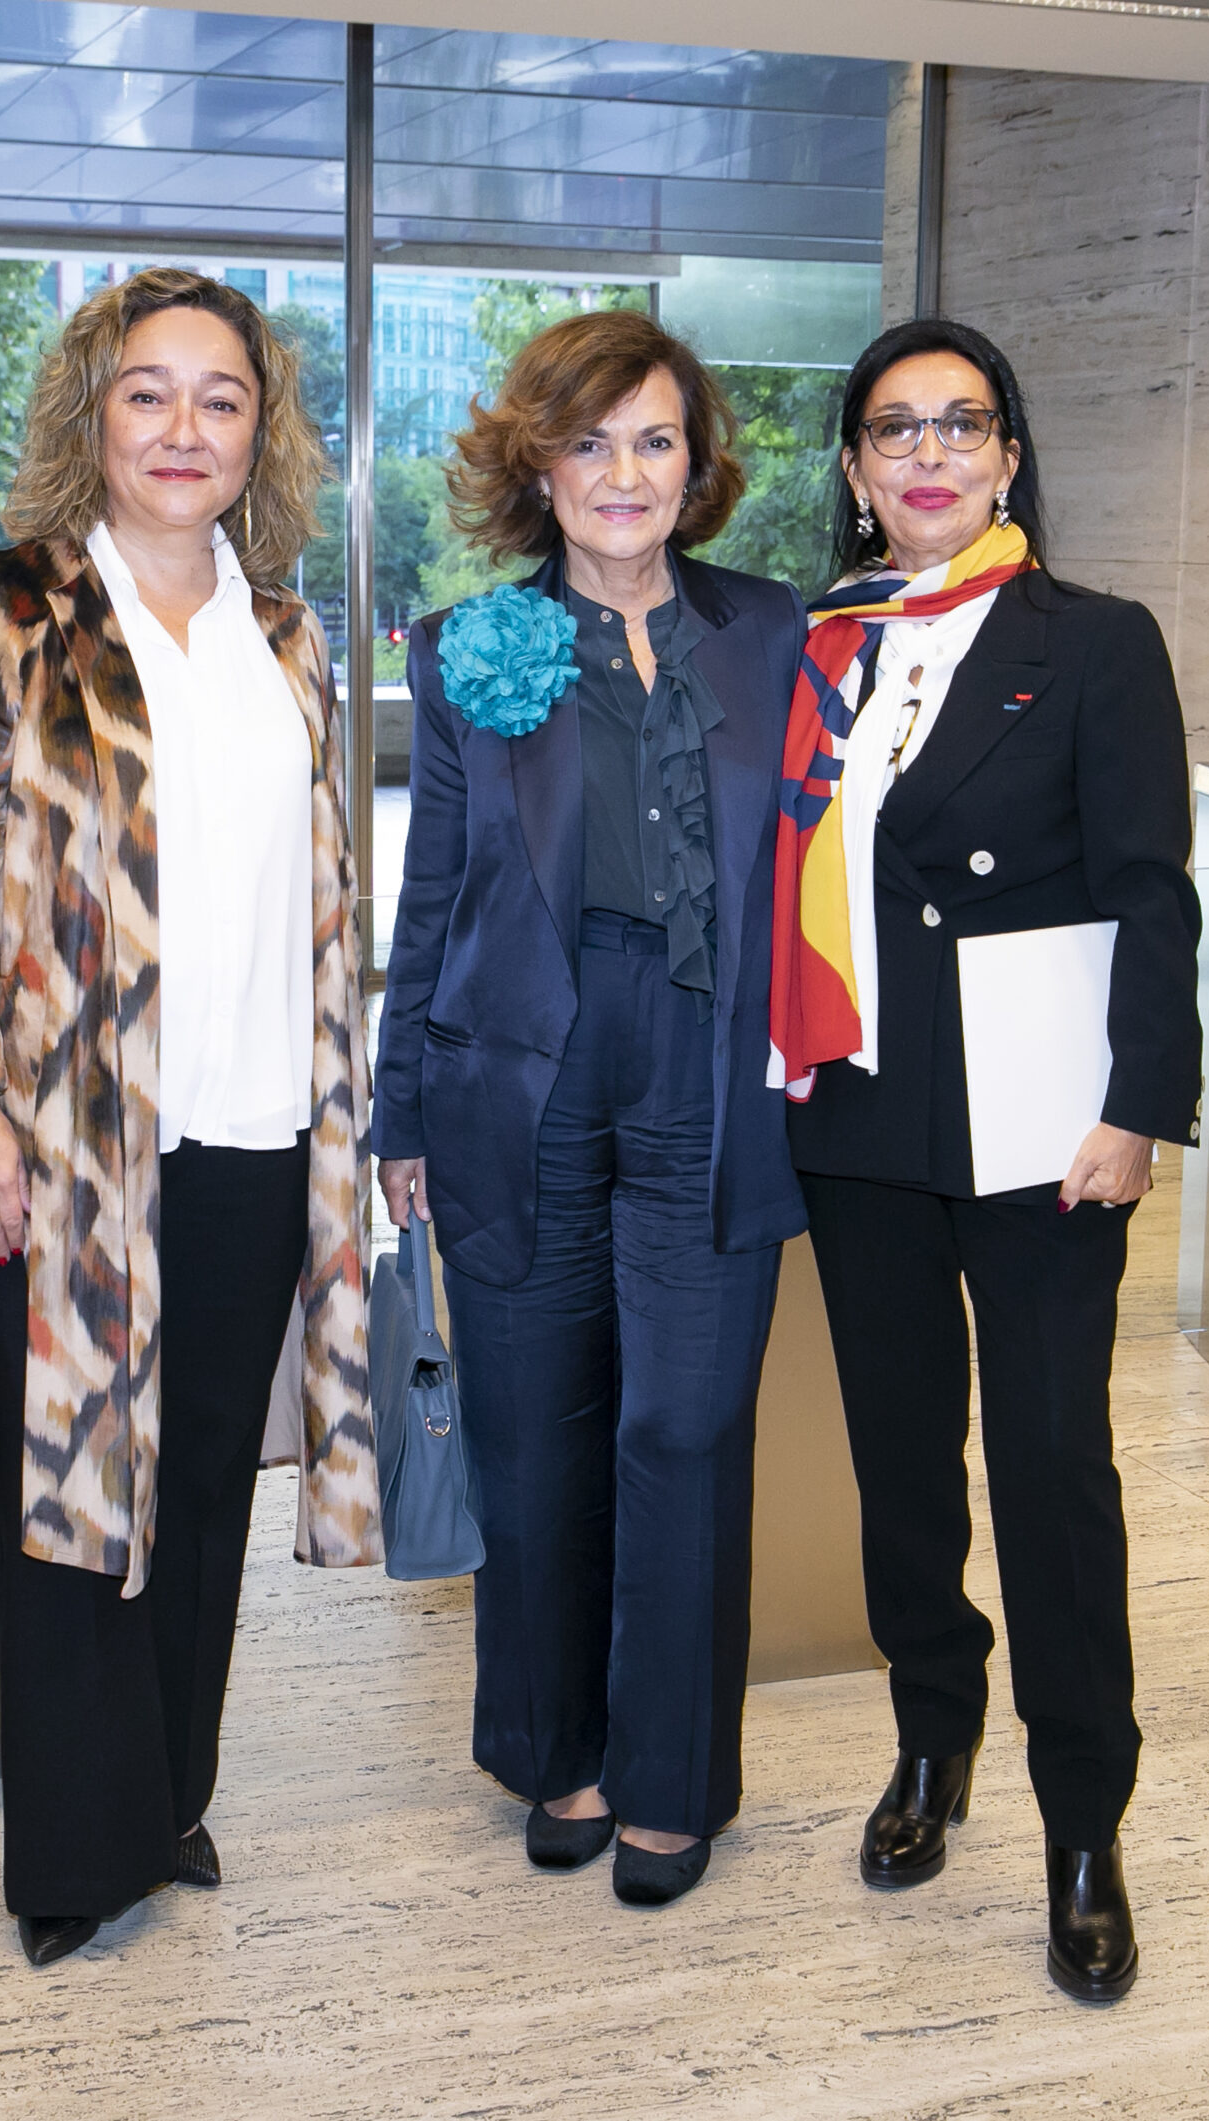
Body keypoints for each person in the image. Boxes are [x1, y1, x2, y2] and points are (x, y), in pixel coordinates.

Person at [0, 267, 378, 1971]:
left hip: (255, 1123)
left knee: (199, 1490)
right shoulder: (11, 604)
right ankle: (71, 1853)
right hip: (66, 1135)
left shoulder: (289, 635)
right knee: (69, 1484)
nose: (185, 428)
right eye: (150, 393)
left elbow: (319, 888)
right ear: (92, 415)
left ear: (262, 434)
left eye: (221, 399)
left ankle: (171, 1796)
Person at [769, 317, 1201, 2003]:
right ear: (858, 468)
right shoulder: (815, 645)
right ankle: (931, 1734)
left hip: (1040, 1128)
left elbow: (1151, 889)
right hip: (860, 1119)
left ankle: (1086, 1823)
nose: (930, 453)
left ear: (1011, 455)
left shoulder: (1094, 641)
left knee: (1052, 1473)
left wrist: (1138, 1106)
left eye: (962, 424)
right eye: (897, 429)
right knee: (901, 1466)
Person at [372, 308, 811, 1909]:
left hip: (709, 1068)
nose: (624, 473)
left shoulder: (776, 632)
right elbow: (431, 893)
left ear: (696, 467)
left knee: (683, 1427)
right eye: (590, 441)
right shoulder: (468, 647)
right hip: (519, 1082)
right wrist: (400, 1111)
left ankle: (672, 1777)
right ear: (539, 466)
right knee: (534, 1432)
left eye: (655, 440)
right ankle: (556, 1752)